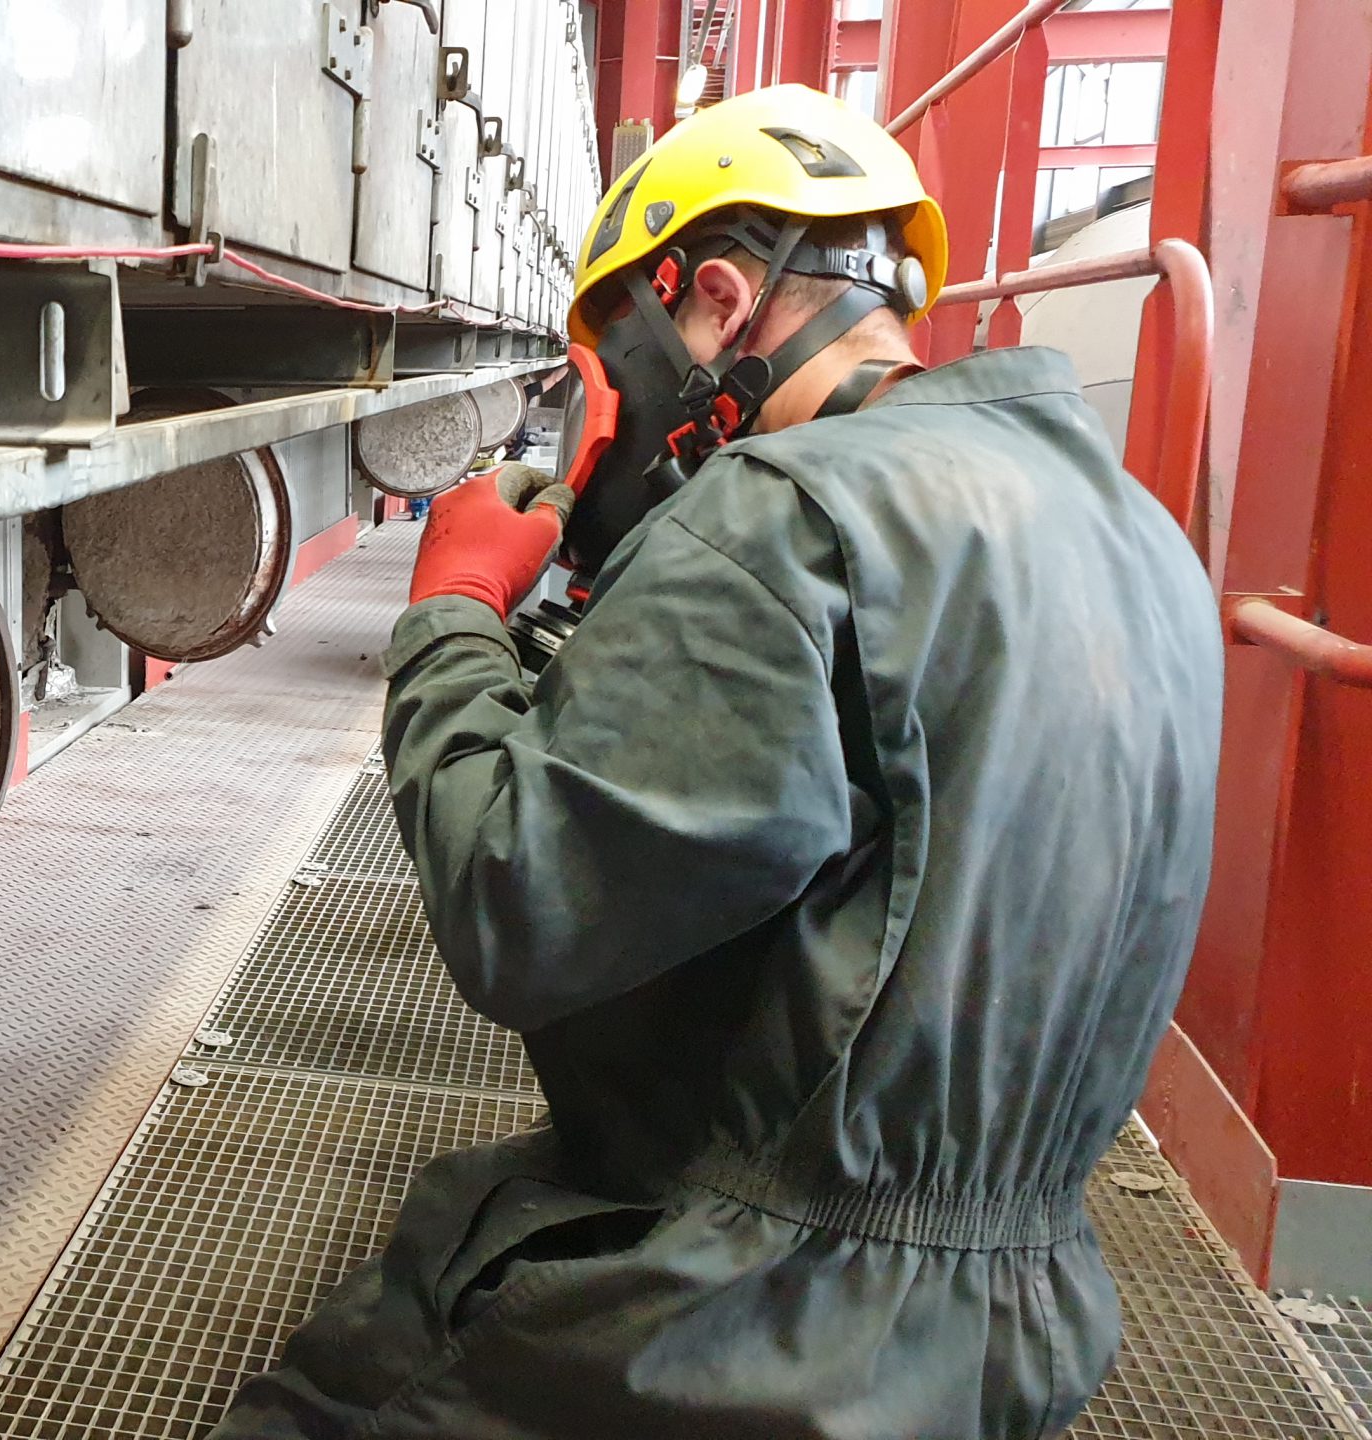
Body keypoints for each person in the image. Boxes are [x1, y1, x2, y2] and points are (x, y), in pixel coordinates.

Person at [208, 84, 1221, 1439]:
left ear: (719, 302)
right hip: (1020, 1312)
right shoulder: (1137, 529)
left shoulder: (779, 518)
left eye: (615, 363)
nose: (614, 416)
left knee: (329, 1395)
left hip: (754, 1321)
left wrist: (450, 614)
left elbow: (518, 905)